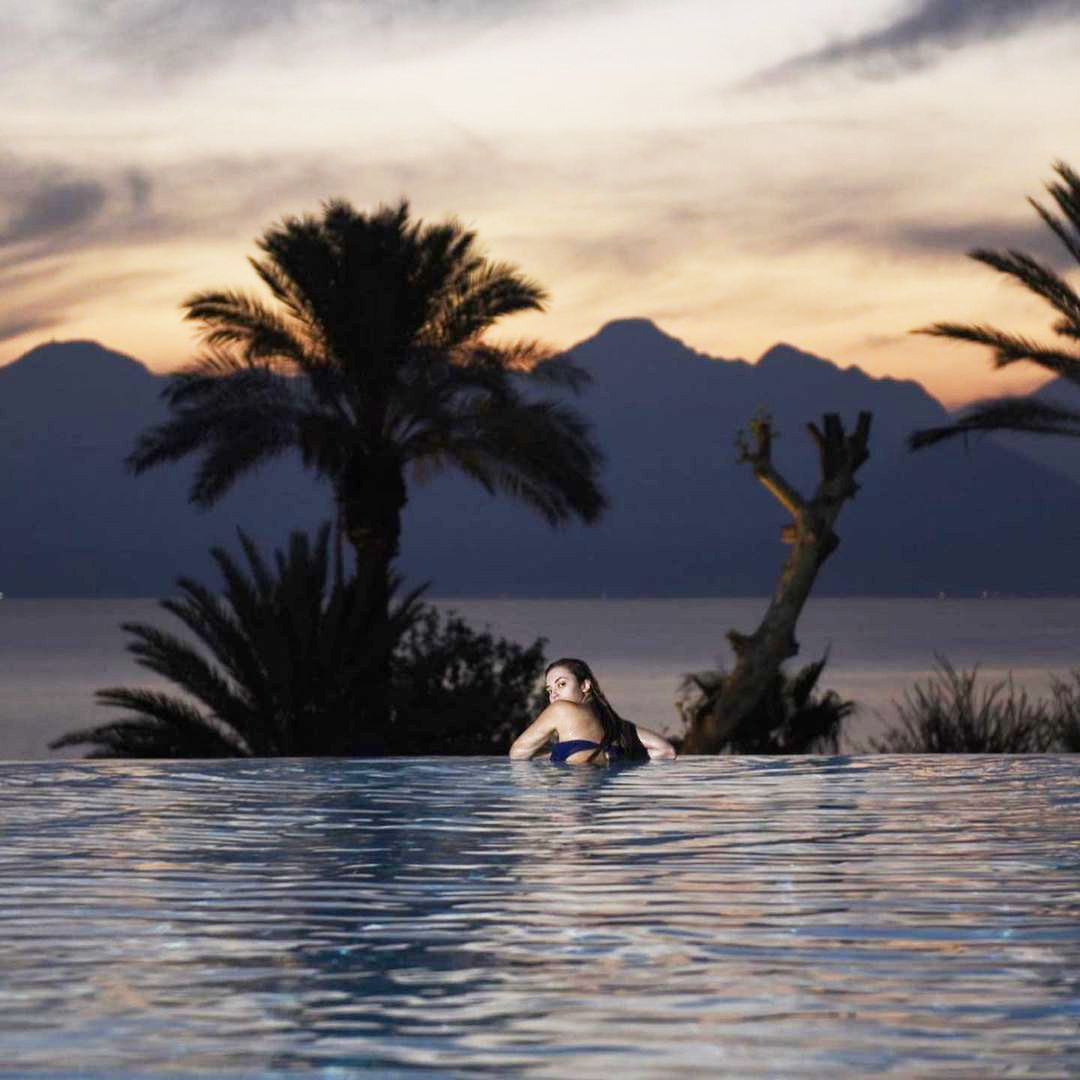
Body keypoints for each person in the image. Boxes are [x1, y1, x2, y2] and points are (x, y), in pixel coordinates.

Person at [509, 657, 677, 764]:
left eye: (561, 684)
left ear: (585, 685)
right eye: (549, 690)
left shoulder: (560, 709)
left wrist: (552, 754)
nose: (554, 695)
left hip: (571, 802)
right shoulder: (617, 726)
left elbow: (518, 753)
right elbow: (666, 751)